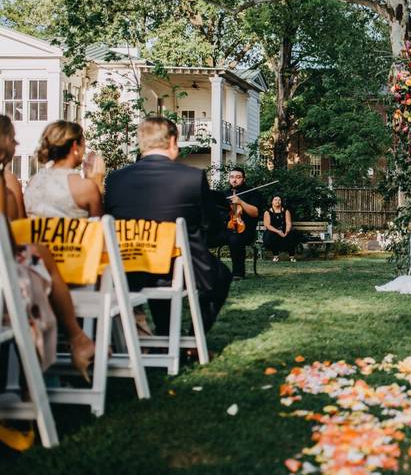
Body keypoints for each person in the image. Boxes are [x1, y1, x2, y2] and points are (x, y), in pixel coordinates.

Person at [104, 117, 231, 334]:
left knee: (161, 270)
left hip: (128, 270)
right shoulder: (191, 177)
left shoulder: (115, 179)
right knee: (221, 275)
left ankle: (165, 333)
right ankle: (194, 337)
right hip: (177, 267)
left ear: (142, 142)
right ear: (173, 142)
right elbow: (216, 230)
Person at [0, 114, 95, 379]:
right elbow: (98, 227)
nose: (16, 143)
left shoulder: (31, 183)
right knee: (42, 258)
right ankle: (79, 338)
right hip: (74, 266)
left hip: (33, 259)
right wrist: (96, 182)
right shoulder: (84, 186)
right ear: (75, 147)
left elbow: (23, 226)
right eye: (11, 138)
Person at [24, 121, 104, 218]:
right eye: (83, 144)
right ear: (75, 146)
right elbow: (99, 229)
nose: (84, 150)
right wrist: (98, 185)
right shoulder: (86, 187)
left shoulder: (33, 182)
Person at [224, 167, 264, 279]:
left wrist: (240, 201)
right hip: (227, 229)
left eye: (238, 177)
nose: (234, 180)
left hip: (246, 232)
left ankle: (238, 273)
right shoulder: (225, 194)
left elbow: (255, 213)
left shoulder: (253, 193)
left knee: (235, 238)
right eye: (232, 177)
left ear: (244, 179)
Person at [263, 194, 298, 262]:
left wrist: (287, 231)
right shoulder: (267, 212)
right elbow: (267, 225)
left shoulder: (286, 211)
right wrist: (278, 232)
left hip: (284, 230)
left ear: (281, 201)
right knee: (271, 235)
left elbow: (288, 222)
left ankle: (292, 256)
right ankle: (275, 256)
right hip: (273, 230)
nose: (277, 201)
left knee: (292, 234)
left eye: (279, 200)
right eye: (275, 200)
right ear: (272, 202)